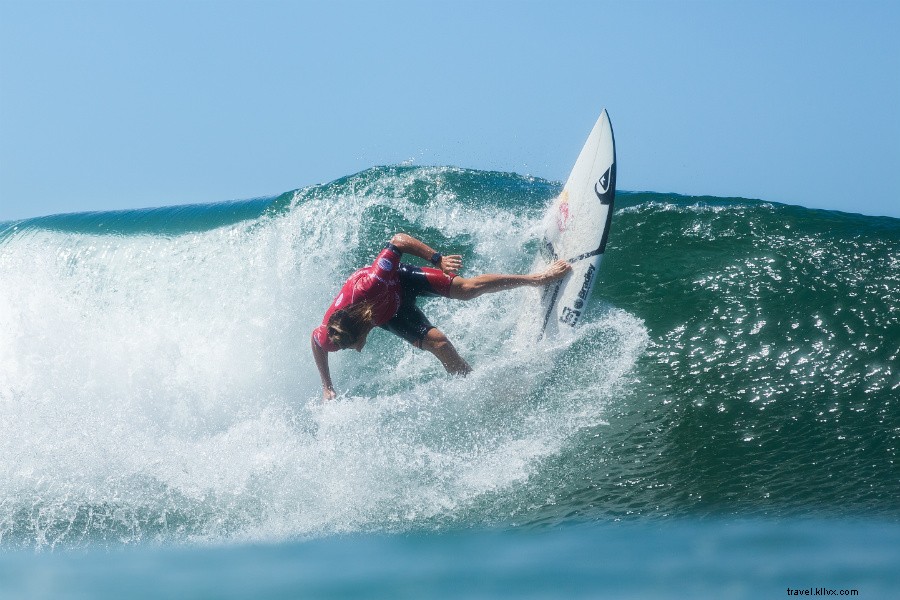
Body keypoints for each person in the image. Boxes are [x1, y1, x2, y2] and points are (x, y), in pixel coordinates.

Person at [311, 233, 571, 400]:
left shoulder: (372, 282)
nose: (357, 349)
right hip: (390, 313)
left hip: (396, 281)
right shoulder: (332, 335)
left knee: (467, 289)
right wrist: (327, 386)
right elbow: (316, 341)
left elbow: (399, 240)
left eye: (355, 345)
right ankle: (479, 390)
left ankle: (537, 278)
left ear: (359, 328)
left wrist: (437, 259)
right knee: (440, 344)